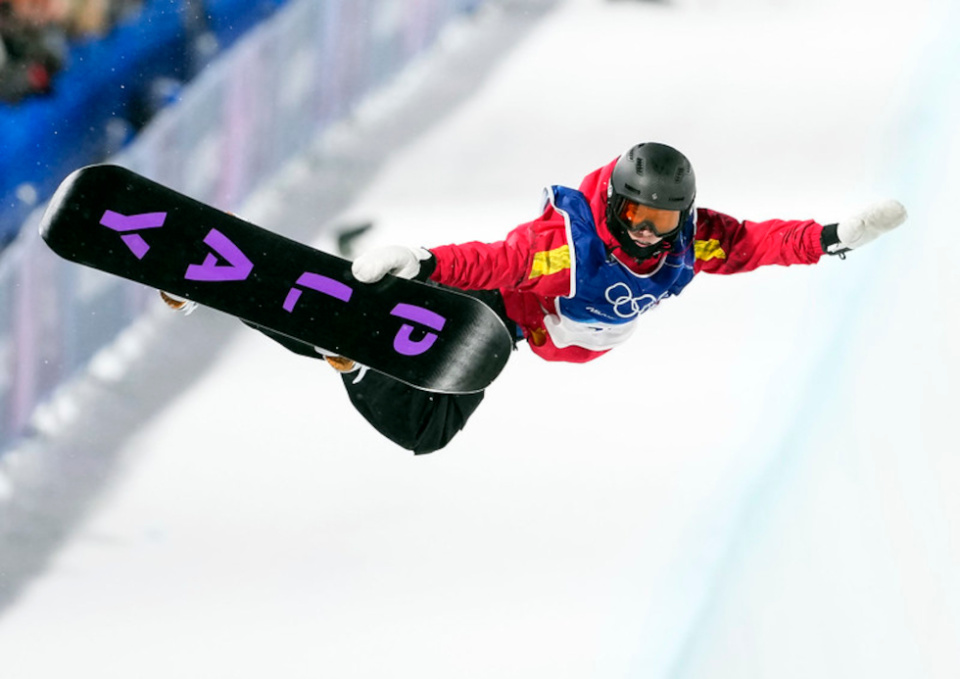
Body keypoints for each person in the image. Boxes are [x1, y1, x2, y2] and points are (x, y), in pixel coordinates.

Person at [178, 142, 906, 454]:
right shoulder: (573, 245)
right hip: (490, 315)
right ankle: (356, 357)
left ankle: (250, 300)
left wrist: (834, 235)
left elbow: (755, 242)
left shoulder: (689, 242)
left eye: (666, 220)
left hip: (512, 332)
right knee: (424, 429)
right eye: (641, 217)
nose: (652, 234)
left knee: (415, 409)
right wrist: (426, 259)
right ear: (619, 203)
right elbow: (499, 259)